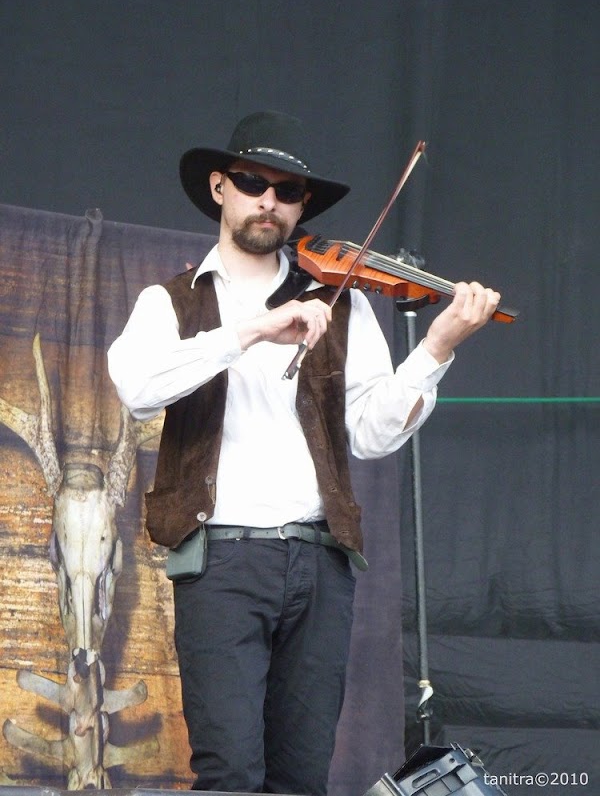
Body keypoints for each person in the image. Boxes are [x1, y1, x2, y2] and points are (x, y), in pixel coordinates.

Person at [107, 110, 500, 795]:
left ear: (302, 207)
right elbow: (137, 388)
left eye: (287, 191)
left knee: (301, 774)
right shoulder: (167, 301)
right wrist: (255, 330)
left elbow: (373, 434)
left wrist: (435, 349)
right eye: (253, 183)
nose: (270, 201)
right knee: (230, 770)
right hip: (222, 561)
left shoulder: (343, 302)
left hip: (319, 562)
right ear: (220, 187)